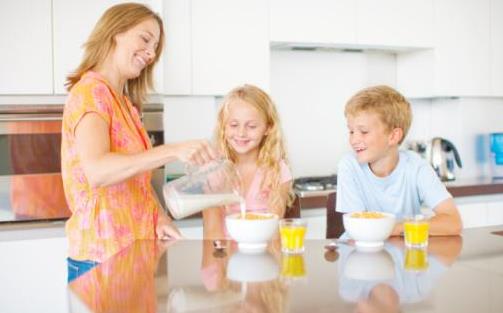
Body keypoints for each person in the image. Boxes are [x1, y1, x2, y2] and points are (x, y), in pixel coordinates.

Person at [61, 3, 217, 272]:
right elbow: (97, 171)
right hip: (101, 258)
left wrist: (159, 218)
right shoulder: (90, 93)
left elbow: (136, 181)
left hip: (132, 255)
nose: (150, 53)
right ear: (115, 32)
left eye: (155, 46)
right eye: (145, 39)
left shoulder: (125, 104)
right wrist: (172, 151)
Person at [336, 85, 462, 236]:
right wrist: (410, 227)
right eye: (351, 131)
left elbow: (453, 222)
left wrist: (397, 228)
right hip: (361, 254)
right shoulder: (349, 166)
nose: (354, 139)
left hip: (403, 254)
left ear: (393, 136)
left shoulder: (416, 166)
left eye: (363, 132)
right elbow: (360, 230)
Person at [202, 84, 294, 239]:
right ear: (223, 126)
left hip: (263, 255)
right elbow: (212, 232)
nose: (241, 133)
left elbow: (273, 233)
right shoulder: (213, 171)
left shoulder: (277, 170)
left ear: (268, 128)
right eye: (234, 125)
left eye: (251, 126)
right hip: (224, 257)